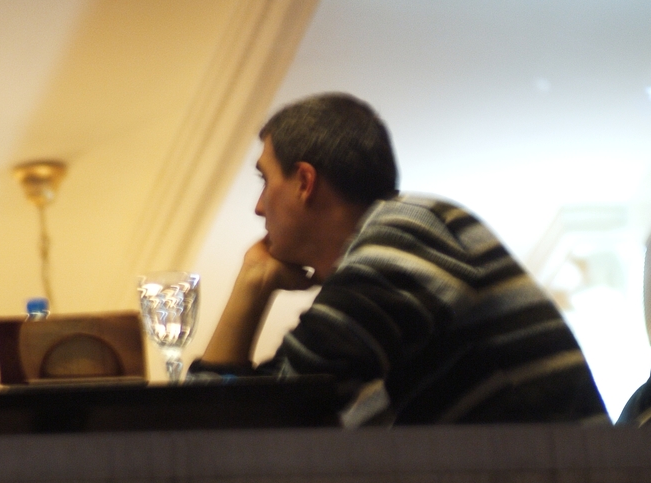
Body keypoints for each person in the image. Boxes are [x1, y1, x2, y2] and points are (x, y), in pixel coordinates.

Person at [191, 92, 608, 426]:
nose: (259, 208)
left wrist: (250, 289)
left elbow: (262, 420)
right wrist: (252, 283)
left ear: (304, 181)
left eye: (265, 180)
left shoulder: (405, 234)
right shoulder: (389, 255)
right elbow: (224, 426)